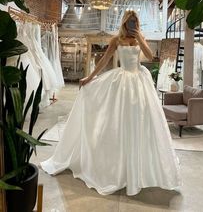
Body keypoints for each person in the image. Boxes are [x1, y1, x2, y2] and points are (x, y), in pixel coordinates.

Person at [40, 10, 181, 196]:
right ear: (125, 22)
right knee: (118, 122)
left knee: (142, 122)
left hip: (140, 83)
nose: (132, 24)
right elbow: (105, 59)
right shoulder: (117, 40)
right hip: (123, 82)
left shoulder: (140, 37)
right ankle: (119, 167)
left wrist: (139, 37)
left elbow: (149, 56)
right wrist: (89, 77)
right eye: (130, 21)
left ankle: (139, 166)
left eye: (135, 21)